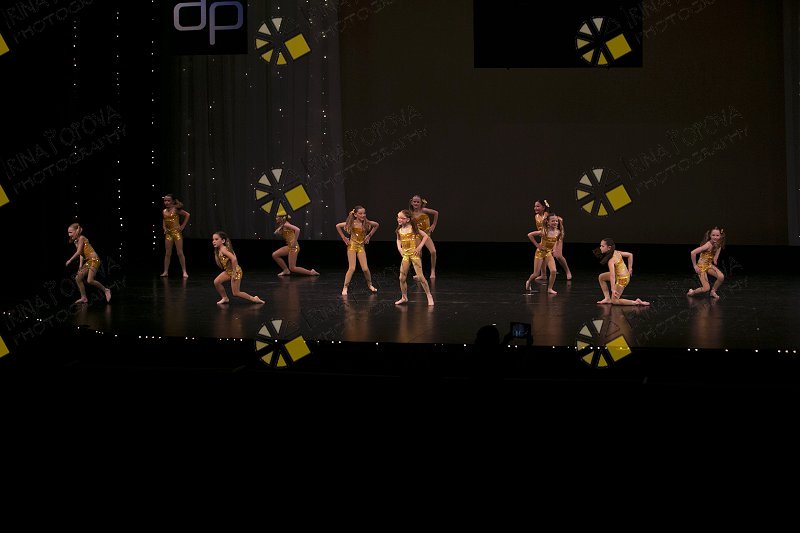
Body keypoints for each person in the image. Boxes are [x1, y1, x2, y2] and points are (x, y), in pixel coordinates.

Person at [335, 206, 380, 295]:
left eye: (364, 213)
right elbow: (338, 226)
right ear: (355, 215)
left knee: (365, 268)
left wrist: (369, 236)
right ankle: (345, 287)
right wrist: (344, 238)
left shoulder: (366, 223)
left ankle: (370, 285)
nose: (363, 215)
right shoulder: (352, 223)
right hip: (352, 246)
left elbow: (376, 225)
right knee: (352, 268)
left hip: (361, 247)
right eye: (360, 213)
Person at [212, 231, 265, 305]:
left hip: (236, 271)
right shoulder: (219, 250)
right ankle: (225, 298)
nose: (214, 241)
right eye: (213, 239)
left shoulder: (224, 249)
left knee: (236, 293)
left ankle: (254, 299)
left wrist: (234, 273)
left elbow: (234, 259)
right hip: (229, 271)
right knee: (217, 282)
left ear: (223, 241)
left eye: (216, 239)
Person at [395, 209, 434, 306]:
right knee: (401, 278)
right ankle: (404, 297)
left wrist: (419, 247)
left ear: (408, 219)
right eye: (398, 217)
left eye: (402, 218)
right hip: (405, 255)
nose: (399, 219)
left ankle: (429, 295)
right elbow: (398, 239)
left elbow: (425, 236)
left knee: (420, 277)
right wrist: (399, 248)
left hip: (414, 255)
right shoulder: (399, 230)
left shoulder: (413, 228)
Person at [65, 223, 111, 304]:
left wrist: (70, 260)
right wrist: (80, 265)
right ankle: (83, 297)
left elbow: (78, 252)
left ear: (76, 231)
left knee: (90, 280)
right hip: (89, 262)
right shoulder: (76, 241)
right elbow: (81, 253)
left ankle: (106, 290)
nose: (69, 235)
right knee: (78, 278)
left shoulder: (82, 238)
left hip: (94, 260)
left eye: (71, 232)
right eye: (68, 232)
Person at [595, 238, 650, 305]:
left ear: (609, 248)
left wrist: (613, 289)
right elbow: (630, 255)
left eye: (602, 246)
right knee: (601, 277)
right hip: (621, 275)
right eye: (600, 246)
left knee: (615, 301)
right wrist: (630, 268)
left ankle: (636, 302)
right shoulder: (616, 252)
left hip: (622, 279)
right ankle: (607, 298)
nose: (600, 248)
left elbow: (612, 276)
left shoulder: (611, 260)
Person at [533, 199, 572, 281]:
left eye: (538, 206)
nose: (535, 208)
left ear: (543, 207)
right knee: (543, 253)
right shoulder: (536, 216)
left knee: (558, 256)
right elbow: (540, 228)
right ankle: (543, 275)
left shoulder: (547, 215)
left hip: (555, 237)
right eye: (535, 206)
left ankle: (568, 271)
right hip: (546, 237)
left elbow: (560, 220)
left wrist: (558, 231)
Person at [525, 213, 562, 295]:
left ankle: (550, 288)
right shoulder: (544, 231)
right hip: (540, 253)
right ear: (548, 222)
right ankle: (529, 281)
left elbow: (556, 241)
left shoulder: (558, 232)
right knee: (536, 274)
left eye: (556, 221)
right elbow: (530, 235)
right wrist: (537, 245)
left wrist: (554, 249)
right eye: (553, 221)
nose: (555, 222)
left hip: (548, 253)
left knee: (553, 271)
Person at [687, 227, 726, 298]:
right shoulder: (707, 245)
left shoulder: (718, 245)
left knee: (721, 277)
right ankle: (692, 292)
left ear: (720, 236)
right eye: (713, 235)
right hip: (701, 267)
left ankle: (713, 291)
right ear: (710, 235)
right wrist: (695, 266)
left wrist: (715, 260)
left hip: (708, 265)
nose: (715, 237)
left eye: (717, 235)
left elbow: (715, 256)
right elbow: (693, 252)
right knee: (706, 288)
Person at [160, 193, 190, 278]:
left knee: (179, 252)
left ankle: (184, 271)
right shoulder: (164, 211)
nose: (166, 202)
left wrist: (182, 226)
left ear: (173, 201)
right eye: (165, 200)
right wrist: (164, 227)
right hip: (168, 234)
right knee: (167, 253)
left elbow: (187, 215)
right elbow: (164, 220)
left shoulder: (175, 209)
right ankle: (166, 271)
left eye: (168, 200)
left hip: (177, 233)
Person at [409, 194, 438, 279]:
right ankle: (419, 273)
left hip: (426, 235)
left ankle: (433, 270)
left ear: (421, 203)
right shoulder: (410, 213)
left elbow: (436, 213)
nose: (416, 203)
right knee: (418, 254)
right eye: (414, 202)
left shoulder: (424, 210)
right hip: (417, 235)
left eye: (418, 202)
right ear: (411, 202)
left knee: (433, 251)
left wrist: (433, 225)